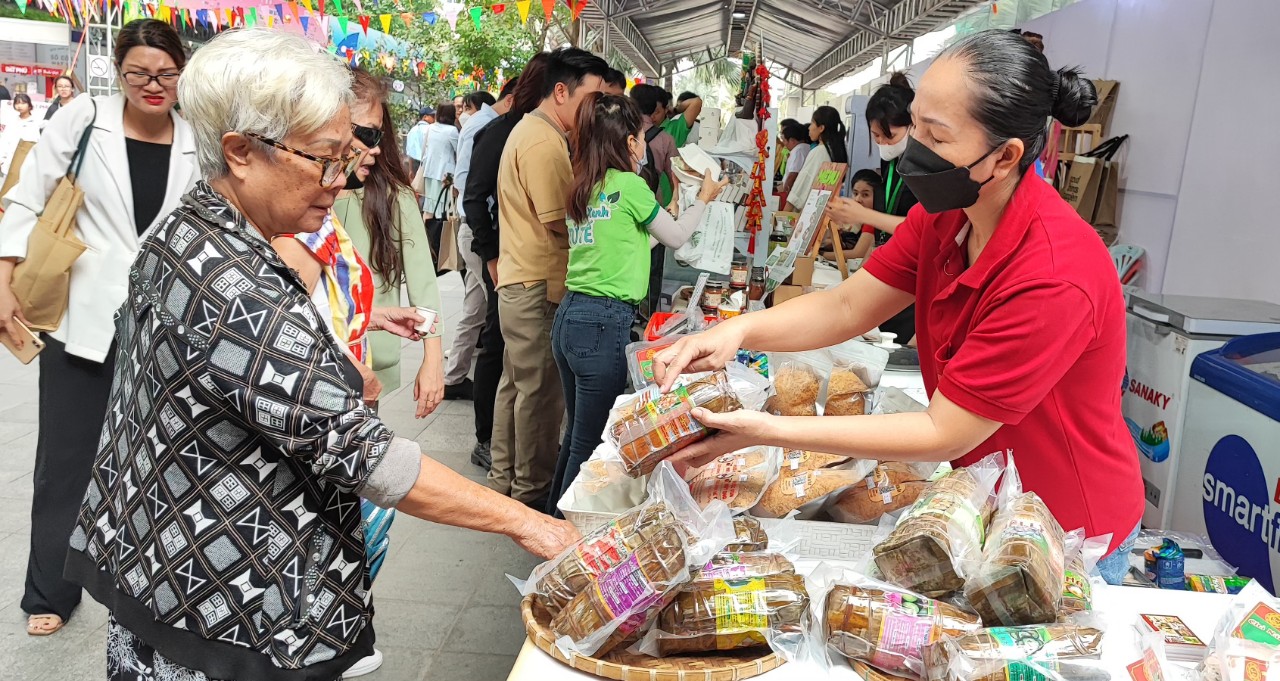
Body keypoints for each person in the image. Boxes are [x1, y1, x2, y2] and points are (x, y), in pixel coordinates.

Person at [63, 29, 577, 681]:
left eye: (346, 156)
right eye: (325, 159)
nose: (339, 181)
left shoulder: (189, 225)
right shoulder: (233, 286)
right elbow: (364, 453)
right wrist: (532, 524)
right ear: (240, 152)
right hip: (218, 610)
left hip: (162, 569)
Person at [653, 29, 1142, 586]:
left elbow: (943, 431)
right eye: (916, 125)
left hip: (1069, 534)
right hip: (985, 506)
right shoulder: (946, 219)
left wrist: (767, 429)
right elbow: (846, 306)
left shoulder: (1053, 273)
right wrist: (737, 331)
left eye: (937, 135)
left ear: (1004, 156)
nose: (916, 149)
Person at [0, 18, 199, 638]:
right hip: (82, 316)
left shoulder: (199, 136)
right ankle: (49, 590)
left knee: (165, 459)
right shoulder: (83, 118)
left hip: (166, 323)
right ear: (118, 71)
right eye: (139, 72)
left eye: (166, 74)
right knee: (67, 459)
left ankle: (155, 588)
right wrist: (3, 276)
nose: (153, 85)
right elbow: (27, 196)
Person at [548, 93, 727, 510]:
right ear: (630, 141)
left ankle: (551, 518)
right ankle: (560, 530)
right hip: (603, 322)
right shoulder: (629, 185)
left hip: (570, 318)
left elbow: (633, 245)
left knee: (575, 437)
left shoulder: (585, 185)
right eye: (643, 136)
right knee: (589, 444)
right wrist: (704, 197)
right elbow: (677, 238)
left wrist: (674, 211)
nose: (645, 144)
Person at [493, 47, 609, 511]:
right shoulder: (543, 141)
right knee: (539, 396)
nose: (594, 109)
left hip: (522, 278)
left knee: (517, 387)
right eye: (591, 97)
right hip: (537, 281)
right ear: (561, 92)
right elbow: (562, 219)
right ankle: (530, 493)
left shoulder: (534, 132)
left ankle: (504, 481)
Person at [465, 54, 551, 471]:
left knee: (516, 359)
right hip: (503, 254)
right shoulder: (501, 133)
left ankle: (512, 446)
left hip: (525, 259)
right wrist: (491, 256)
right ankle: (487, 439)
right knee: (497, 343)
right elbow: (473, 198)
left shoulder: (543, 133)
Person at [825, 72, 919, 343]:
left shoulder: (924, 168)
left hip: (914, 275)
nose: (881, 144)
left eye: (889, 136)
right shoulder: (892, 162)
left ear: (913, 125)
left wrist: (864, 215)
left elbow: (921, 228)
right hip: (895, 264)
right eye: (876, 136)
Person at [444, 87, 505, 405]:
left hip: (474, 230)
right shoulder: (485, 125)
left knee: (474, 309)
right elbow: (468, 187)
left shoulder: (481, 124)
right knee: (494, 311)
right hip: (478, 232)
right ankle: (474, 386)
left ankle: (453, 377)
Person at [782, 105, 849, 212]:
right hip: (826, 211)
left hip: (810, 212)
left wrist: (783, 213)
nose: (809, 127)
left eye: (812, 123)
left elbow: (801, 186)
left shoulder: (818, 152)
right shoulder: (836, 152)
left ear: (821, 128)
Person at [820, 168, 879, 263]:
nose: (858, 199)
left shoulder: (873, 222)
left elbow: (857, 254)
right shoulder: (855, 218)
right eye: (855, 193)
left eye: (865, 195)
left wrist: (821, 254)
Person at [420, 102, 459, 219]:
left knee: (429, 206)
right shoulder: (452, 130)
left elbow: (424, 150)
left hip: (429, 171)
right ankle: (441, 229)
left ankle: (427, 228)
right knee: (444, 206)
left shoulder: (430, 128)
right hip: (447, 174)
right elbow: (460, 151)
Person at [0, 94, 41, 178]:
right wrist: (2, 160)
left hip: (28, 160)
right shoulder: (11, 121)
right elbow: (4, 141)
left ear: (29, 105)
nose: (19, 106)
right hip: (10, 161)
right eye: (17, 103)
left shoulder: (37, 122)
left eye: (23, 103)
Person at [777, 118, 811, 197]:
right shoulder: (806, 148)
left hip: (792, 194)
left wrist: (784, 195)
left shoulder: (798, 151)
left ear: (792, 140)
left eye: (784, 140)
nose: (784, 144)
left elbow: (792, 176)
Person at [404, 106, 435, 172]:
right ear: (425, 117)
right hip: (427, 164)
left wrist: (410, 170)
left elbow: (409, 152)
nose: (434, 118)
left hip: (415, 164)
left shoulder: (412, 130)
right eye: (432, 116)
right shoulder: (431, 129)